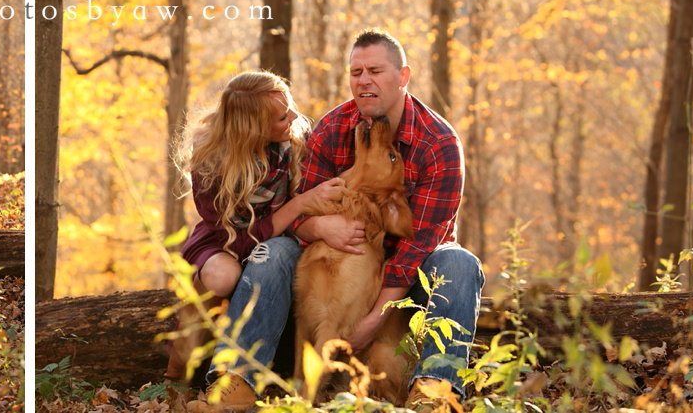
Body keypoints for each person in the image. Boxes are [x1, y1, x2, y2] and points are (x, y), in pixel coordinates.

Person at [192, 29, 484, 413]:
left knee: (459, 263)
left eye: (375, 70)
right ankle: (236, 382)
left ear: (403, 76)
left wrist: (373, 320)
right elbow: (299, 207)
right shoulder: (332, 129)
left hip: (408, 280)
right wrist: (315, 227)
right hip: (337, 268)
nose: (364, 81)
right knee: (274, 251)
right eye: (356, 71)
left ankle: (436, 390)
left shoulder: (440, 143)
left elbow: (420, 245)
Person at [166, 71, 344, 396]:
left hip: (281, 244)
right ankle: (178, 367)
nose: (294, 117)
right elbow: (243, 237)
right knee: (222, 277)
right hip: (227, 242)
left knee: (275, 257)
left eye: (289, 107)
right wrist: (300, 204)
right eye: (281, 117)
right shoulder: (211, 165)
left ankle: (247, 377)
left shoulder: (295, 144)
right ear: (253, 128)